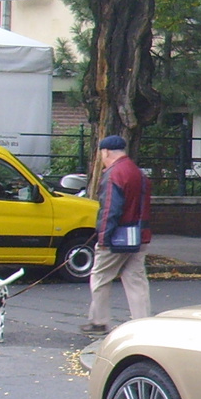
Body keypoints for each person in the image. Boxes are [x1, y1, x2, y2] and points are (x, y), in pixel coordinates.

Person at [81, 135, 152, 335]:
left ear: (106, 152)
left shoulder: (115, 174)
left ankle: (99, 321)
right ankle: (143, 324)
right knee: (135, 280)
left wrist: (103, 238)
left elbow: (109, 209)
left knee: (100, 277)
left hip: (117, 237)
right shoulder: (137, 173)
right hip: (139, 236)